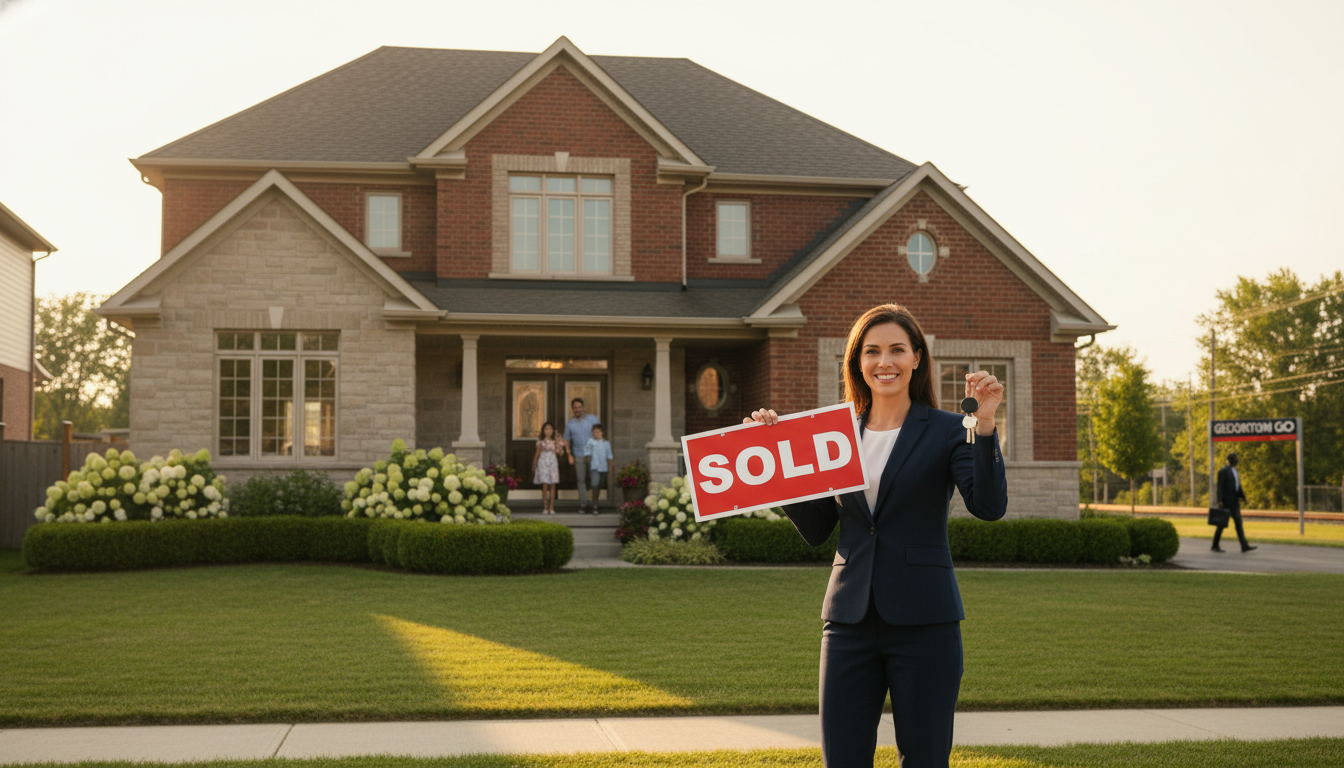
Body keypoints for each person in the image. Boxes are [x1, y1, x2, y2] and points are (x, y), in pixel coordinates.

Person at [743, 303, 1007, 768]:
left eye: (897, 350)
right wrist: (778, 467)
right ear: (857, 362)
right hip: (847, 623)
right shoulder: (833, 434)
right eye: (872, 351)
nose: (885, 361)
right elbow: (819, 527)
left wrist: (984, 426)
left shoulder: (950, 430)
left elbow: (988, 507)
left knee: (925, 759)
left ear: (917, 358)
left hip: (926, 622)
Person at [1214, 453, 1256, 553]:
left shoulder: (1235, 471)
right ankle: (1215, 545)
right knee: (1221, 524)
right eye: (1234, 459)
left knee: (1239, 524)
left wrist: (1243, 497)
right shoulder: (1223, 471)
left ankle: (1244, 545)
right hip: (1226, 503)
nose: (1236, 460)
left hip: (1235, 502)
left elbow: (1237, 486)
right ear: (1229, 460)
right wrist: (1220, 500)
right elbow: (1219, 487)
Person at [564, 398, 599, 513]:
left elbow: (599, 435)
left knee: (594, 480)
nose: (577, 409)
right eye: (575, 407)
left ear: (583, 408)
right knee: (581, 480)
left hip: (592, 454)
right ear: (572, 409)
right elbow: (566, 441)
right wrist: (569, 455)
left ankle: (595, 505)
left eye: (579, 407)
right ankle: (583, 505)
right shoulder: (570, 424)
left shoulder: (592, 419)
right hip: (578, 455)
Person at [531, 421, 566, 515]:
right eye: (546, 429)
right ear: (543, 431)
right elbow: (537, 453)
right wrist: (534, 464)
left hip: (553, 463)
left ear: (553, 431)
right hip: (543, 463)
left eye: (550, 429)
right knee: (545, 485)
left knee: (553, 485)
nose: (548, 431)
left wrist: (560, 443)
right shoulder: (540, 442)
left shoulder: (555, 441)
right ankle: (545, 506)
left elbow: (560, 453)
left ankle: (551, 506)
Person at [583, 423, 614, 515]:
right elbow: (587, 452)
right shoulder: (591, 442)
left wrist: (612, 466)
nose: (596, 434)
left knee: (600, 485)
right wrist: (588, 460)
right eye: (594, 432)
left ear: (602, 433)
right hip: (594, 467)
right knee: (594, 484)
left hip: (603, 467)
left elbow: (609, 455)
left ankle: (595, 501)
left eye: (598, 432)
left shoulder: (606, 443)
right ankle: (594, 505)